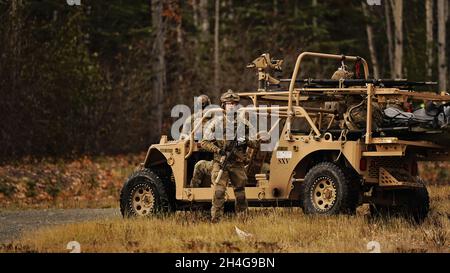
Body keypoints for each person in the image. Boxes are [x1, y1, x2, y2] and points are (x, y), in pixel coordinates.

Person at [200, 89, 262, 222]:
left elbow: (256, 144)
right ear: (223, 106)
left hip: (237, 163)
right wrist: (218, 150)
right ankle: (216, 220)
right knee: (219, 192)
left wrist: (245, 140)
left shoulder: (244, 124)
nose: (232, 106)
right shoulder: (216, 123)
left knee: (240, 193)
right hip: (221, 162)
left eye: (234, 103)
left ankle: (243, 220)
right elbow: (204, 142)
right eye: (229, 104)